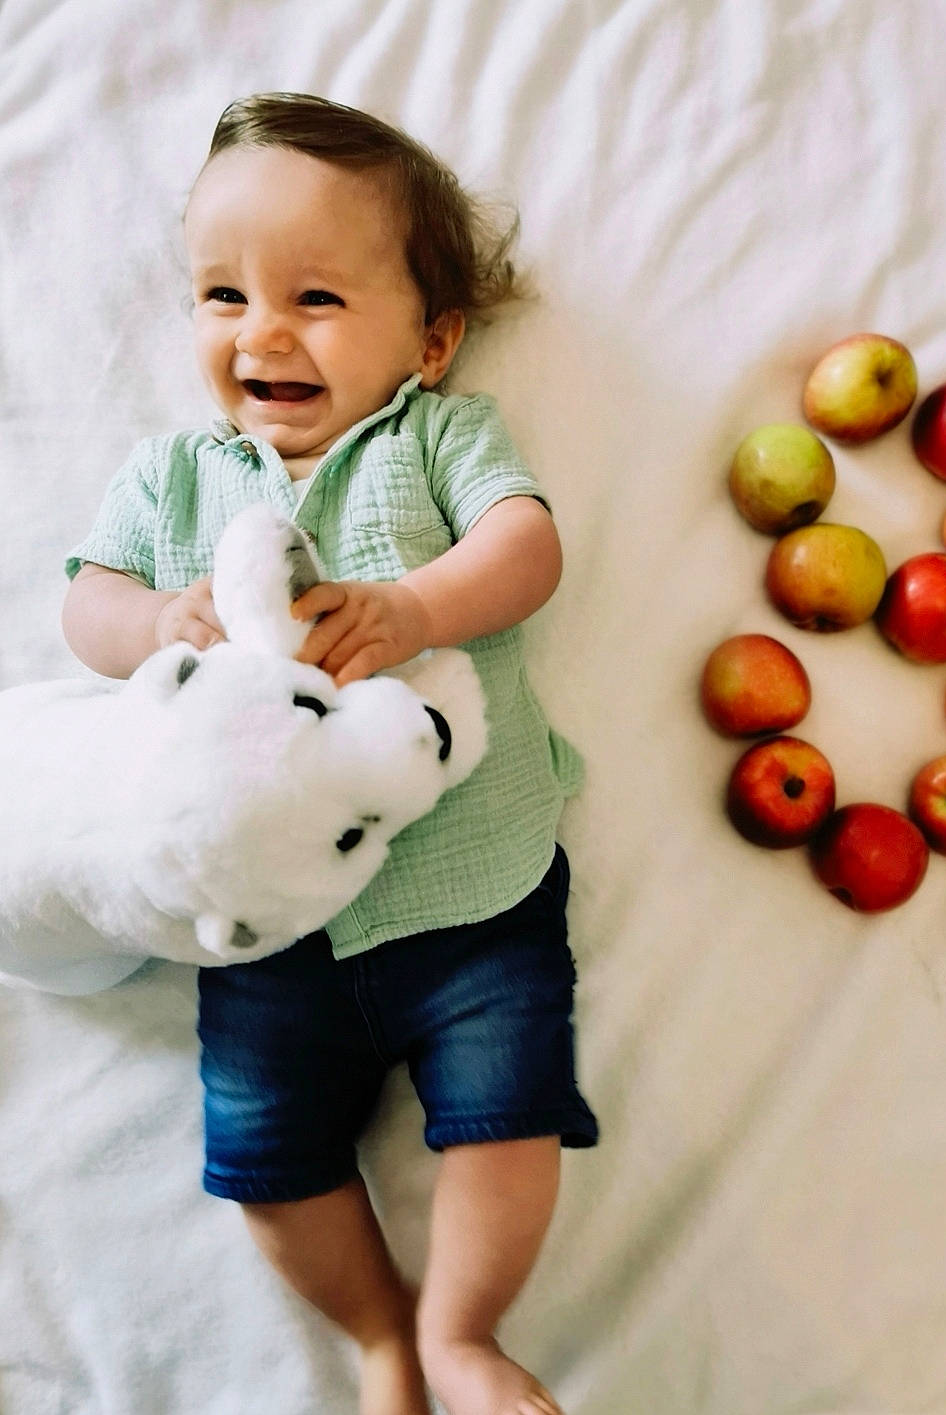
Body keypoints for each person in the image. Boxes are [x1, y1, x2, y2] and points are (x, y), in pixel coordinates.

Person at [61, 91, 597, 1415]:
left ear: (433, 339)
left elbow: (524, 550)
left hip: (472, 894)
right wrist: (151, 622)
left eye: (316, 297)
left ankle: (464, 1333)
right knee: (267, 1155)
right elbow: (84, 604)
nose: (262, 332)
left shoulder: (439, 440)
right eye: (222, 295)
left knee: (510, 1112)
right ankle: (378, 1336)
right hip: (266, 924)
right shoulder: (174, 479)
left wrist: (415, 607)